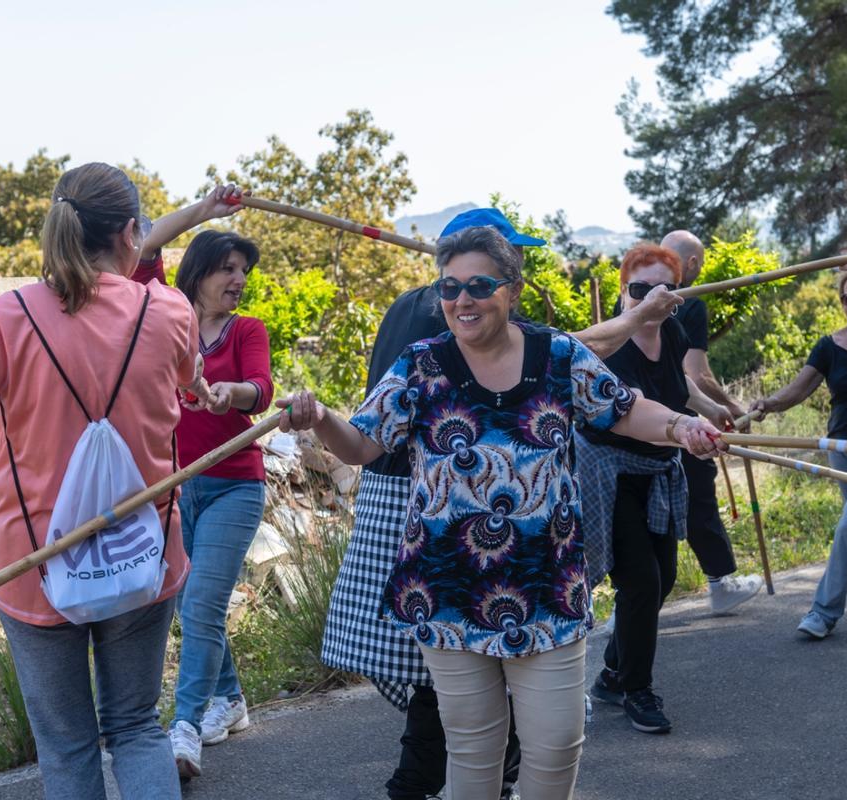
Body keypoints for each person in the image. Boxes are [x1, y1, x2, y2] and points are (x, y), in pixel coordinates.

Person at [285, 225, 725, 800]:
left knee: (558, 742)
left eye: (478, 285)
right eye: (449, 287)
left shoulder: (558, 354)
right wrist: (319, 417)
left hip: (546, 586)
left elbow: (622, 410)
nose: (462, 300)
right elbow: (362, 446)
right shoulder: (421, 364)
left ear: (511, 290)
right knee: (472, 747)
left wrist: (678, 425)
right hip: (448, 589)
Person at [0, 162, 212, 800]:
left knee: (67, 749)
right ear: (129, 235)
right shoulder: (169, 312)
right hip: (144, 555)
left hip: (32, 565)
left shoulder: (3, 320)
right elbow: (189, 384)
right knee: (139, 728)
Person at [125, 187, 272, 778]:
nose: (238, 279)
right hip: (177, 486)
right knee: (194, 604)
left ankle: (183, 728)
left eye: (244, 271)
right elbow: (144, 244)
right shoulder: (163, 310)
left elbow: (260, 390)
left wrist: (226, 395)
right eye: (227, 268)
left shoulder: (246, 330)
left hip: (236, 483)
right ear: (200, 271)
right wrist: (204, 212)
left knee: (205, 602)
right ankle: (230, 699)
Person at [578, 244, 735, 735]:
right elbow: (634, 412)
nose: (648, 301)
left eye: (659, 291)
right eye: (637, 290)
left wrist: (708, 410)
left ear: (674, 297)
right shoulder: (612, 347)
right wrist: (683, 430)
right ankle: (636, 690)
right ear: (625, 291)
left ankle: (612, 673)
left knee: (662, 576)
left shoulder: (672, 329)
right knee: (640, 579)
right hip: (609, 469)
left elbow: (678, 382)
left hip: (658, 466)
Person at [748, 270, 847, 639]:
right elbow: (798, 391)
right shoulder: (829, 346)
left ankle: (823, 612)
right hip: (841, 451)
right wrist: (765, 405)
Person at [658, 230, 764, 613]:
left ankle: (630, 604)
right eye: (699, 263)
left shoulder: (632, 297)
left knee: (645, 509)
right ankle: (721, 584)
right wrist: (732, 405)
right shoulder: (688, 303)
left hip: (631, 418)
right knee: (699, 497)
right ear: (689, 264)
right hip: (677, 422)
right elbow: (696, 374)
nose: (700, 271)